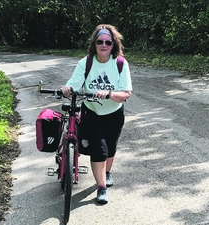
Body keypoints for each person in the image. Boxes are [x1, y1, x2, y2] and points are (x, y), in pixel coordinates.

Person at [61, 24, 133, 204]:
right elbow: (73, 85)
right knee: (99, 149)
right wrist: (67, 89)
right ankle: (101, 188)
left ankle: (107, 172)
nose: (104, 45)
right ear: (94, 44)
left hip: (114, 113)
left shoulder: (120, 64)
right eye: (100, 41)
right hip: (91, 112)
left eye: (108, 42)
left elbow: (126, 93)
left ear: (113, 44)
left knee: (110, 148)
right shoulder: (86, 63)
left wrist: (109, 94)